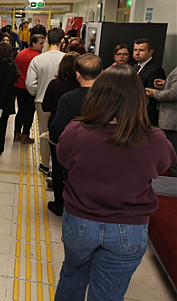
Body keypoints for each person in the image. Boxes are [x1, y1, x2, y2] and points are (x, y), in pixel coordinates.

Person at [54, 65, 176, 301]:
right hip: (129, 227)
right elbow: (163, 167)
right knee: (108, 293)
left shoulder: (76, 131)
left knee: (72, 275)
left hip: (80, 222)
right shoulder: (155, 139)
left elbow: (64, 160)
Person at [48, 54, 103, 216]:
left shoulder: (69, 98)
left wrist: (54, 139)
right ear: (101, 72)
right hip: (101, 149)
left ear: (77, 74)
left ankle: (61, 204)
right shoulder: (108, 97)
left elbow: (57, 127)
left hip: (73, 148)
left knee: (62, 173)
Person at [26, 27, 65, 175]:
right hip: (62, 103)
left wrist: (38, 93)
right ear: (63, 41)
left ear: (47, 40)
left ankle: (45, 165)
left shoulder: (38, 59)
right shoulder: (67, 59)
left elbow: (30, 84)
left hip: (42, 102)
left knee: (44, 133)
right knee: (61, 133)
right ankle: (58, 166)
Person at [14, 34, 45, 144]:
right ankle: (25, 135)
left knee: (21, 111)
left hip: (18, 86)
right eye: (41, 43)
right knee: (29, 111)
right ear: (33, 43)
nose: (43, 46)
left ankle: (16, 134)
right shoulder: (37, 57)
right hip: (29, 87)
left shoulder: (20, 54)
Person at [146, 67, 177, 177]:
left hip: (172, 122)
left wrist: (155, 93)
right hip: (170, 121)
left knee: (174, 160)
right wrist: (165, 85)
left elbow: (174, 93)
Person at [132, 38, 165, 126]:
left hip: (145, 115)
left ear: (150, 52)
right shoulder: (135, 66)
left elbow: (151, 95)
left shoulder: (155, 69)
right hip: (133, 112)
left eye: (141, 50)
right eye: (135, 50)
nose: (137, 53)